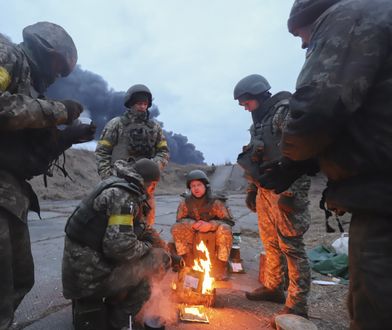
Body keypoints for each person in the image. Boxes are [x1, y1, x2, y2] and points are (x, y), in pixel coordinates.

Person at [265, 0, 392, 328]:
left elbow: (318, 106)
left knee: (375, 312)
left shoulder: (347, 15)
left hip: (384, 203)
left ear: (311, 15)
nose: (305, 43)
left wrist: (293, 157)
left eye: (299, 35)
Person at [0, 22, 95, 330]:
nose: (58, 77)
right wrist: (58, 110)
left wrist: (67, 137)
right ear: (45, 48)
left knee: (20, 279)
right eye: (58, 68)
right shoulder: (8, 57)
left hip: (11, 195)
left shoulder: (32, 91)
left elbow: (31, 160)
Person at [233, 74, 311, 322]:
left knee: (292, 246)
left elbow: (299, 156)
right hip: (265, 190)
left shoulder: (282, 113)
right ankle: (274, 287)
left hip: (286, 188)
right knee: (270, 242)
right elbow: (256, 157)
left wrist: (292, 193)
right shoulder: (259, 122)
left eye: (246, 102)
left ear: (259, 95)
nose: (244, 107)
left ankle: (297, 304)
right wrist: (251, 190)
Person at [62, 158, 170, 330]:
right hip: (90, 279)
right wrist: (152, 248)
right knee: (159, 260)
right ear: (152, 184)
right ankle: (118, 321)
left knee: (157, 253)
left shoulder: (118, 184)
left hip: (80, 273)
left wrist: (166, 247)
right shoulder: (125, 196)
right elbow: (119, 248)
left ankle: (113, 304)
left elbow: (142, 228)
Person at [95, 84, 169, 227]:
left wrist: (153, 166)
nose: (142, 107)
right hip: (119, 182)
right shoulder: (116, 124)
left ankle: (143, 247)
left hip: (145, 185)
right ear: (130, 104)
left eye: (145, 104)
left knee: (145, 224)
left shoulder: (154, 128)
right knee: (117, 223)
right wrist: (107, 176)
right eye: (139, 103)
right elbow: (102, 151)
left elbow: (163, 152)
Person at [171, 169, 234, 280]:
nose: (196, 188)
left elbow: (228, 221)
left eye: (199, 185)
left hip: (213, 231)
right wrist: (192, 224)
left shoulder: (216, 201)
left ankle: (220, 267)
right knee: (177, 228)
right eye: (193, 186)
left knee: (225, 229)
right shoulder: (185, 202)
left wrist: (211, 225)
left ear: (205, 186)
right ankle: (188, 264)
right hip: (194, 230)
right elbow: (179, 220)